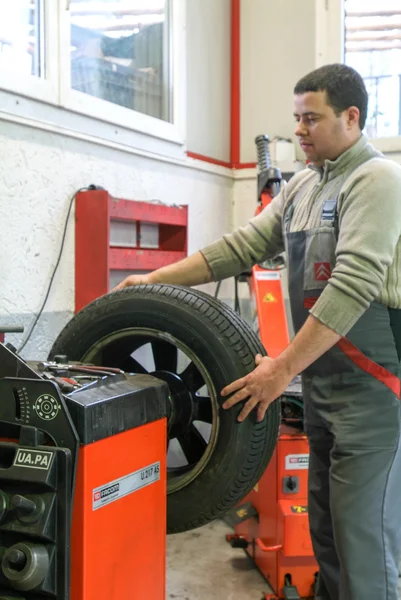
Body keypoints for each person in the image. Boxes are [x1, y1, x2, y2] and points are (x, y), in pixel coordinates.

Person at [113, 64, 401, 600]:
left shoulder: (377, 181)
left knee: (365, 548)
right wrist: (154, 279)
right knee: (330, 541)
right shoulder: (302, 189)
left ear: (352, 117)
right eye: (296, 119)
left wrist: (283, 367)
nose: (299, 131)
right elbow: (236, 250)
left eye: (311, 119)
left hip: (375, 394)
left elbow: (354, 282)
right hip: (323, 389)